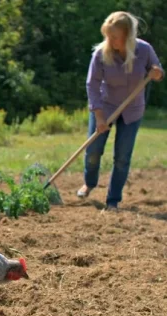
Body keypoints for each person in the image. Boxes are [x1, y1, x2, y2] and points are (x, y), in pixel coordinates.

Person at [77, 11, 164, 211]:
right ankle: (89, 183)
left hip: (132, 110)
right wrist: (99, 116)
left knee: (123, 157)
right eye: (108, 35)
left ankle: (113, 200)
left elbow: (157, 71)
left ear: (128, 35)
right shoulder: (100, 53)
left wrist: (157, 73)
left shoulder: (144, 50)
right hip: (105, 106)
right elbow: (92, 85)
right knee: (93, 151)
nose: (110, 40)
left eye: (114, 36)